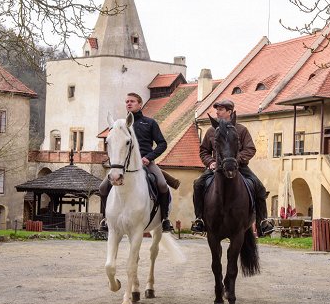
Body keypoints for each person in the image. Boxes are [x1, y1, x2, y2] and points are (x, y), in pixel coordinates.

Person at [191, 99, 274, 237]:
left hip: (239, 167)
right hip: (216, 168)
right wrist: (210, 162)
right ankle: (199, 219)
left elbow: (250, 149)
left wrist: (236, 160)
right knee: (198, 184)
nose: (217, 112)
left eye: (220, 109)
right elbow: (204, 151)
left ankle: (262, 222)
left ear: (229, 112)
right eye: (216, 109)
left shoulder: (241, 129)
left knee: (259, 187)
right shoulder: (212, 130)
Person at [100, 92, 173, 232]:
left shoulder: (150, 123)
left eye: (132, 101)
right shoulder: (120, 125)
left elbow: (162, 144)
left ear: (140, 104)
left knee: (163, 185)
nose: (129, 103)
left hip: (146, 161)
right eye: (127, 101)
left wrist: (149, 157)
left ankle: (164, 219)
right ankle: (106, 219)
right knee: (103, 187)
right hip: (123, 165)